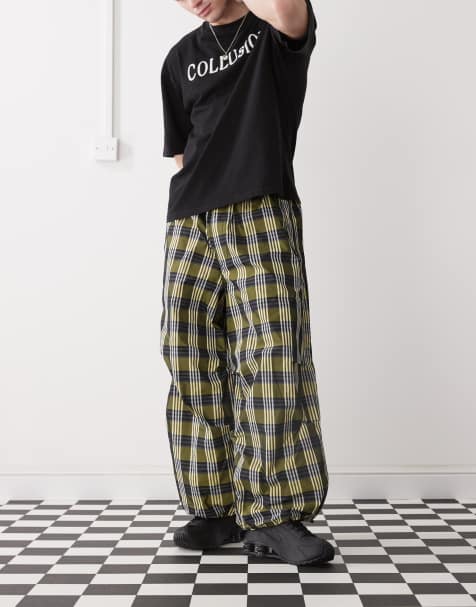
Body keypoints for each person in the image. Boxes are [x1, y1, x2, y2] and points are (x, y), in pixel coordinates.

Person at [160, 0, 334, 566]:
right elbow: (182, 150)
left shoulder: (272, 30)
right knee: (190, 355)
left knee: (272, 356)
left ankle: (274, 514)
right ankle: (216, 506)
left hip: (261, 205)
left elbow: (288, 13)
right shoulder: (178, 59)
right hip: (190, 219)